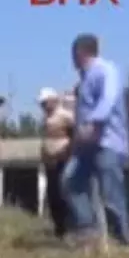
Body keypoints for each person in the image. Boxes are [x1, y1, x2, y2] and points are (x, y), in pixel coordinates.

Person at [61, 33, 129, 248]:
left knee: (111, 191)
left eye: (73, 55)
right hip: (86, 144)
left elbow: (108, 99)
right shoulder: (85, 78)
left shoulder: (106, 70)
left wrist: (93, 122)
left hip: (107, 142)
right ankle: (88, 230)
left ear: (79, 53)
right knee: (70, 181)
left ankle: (123, 238)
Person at [38, 87, 75, 238]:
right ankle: (58, 227)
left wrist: (68, 150)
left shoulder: (65, 116)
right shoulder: (46, 118)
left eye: (45, 102)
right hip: (50, 160)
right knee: (52, 192)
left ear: (52, 100)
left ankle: (68, 226)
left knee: (62, 191)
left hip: (63, 157)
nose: (43, 106)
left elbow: (74, 133)